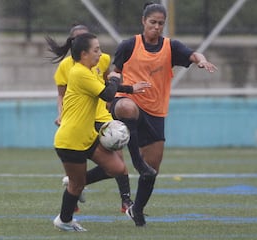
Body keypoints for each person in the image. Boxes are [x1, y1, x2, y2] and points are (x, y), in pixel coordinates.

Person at [110, 2, 218, 227]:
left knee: (152, 172)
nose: (157, 27)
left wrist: (202, 60)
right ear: (143, 21)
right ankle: (136, 161)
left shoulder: (171, 47)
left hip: (155, 113)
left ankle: (136, 209)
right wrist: (115, 85)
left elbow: (193, 54)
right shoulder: (129, 45)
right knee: (126, 109)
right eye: (153, 22)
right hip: (128, 100)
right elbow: (114, 72)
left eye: (161, 23)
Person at [47, 32, 148, 232]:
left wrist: (126, 87)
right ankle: (64, 220)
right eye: (96, 50)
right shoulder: (79, 73)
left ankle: (77, 181)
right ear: (84, 54)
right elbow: (108, 93)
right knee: (76, 186)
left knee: (118, 168)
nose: (100, 53)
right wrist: (115, 77)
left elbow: (104, 87)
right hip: (71, 140)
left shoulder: (88, 70)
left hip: (87, 137)